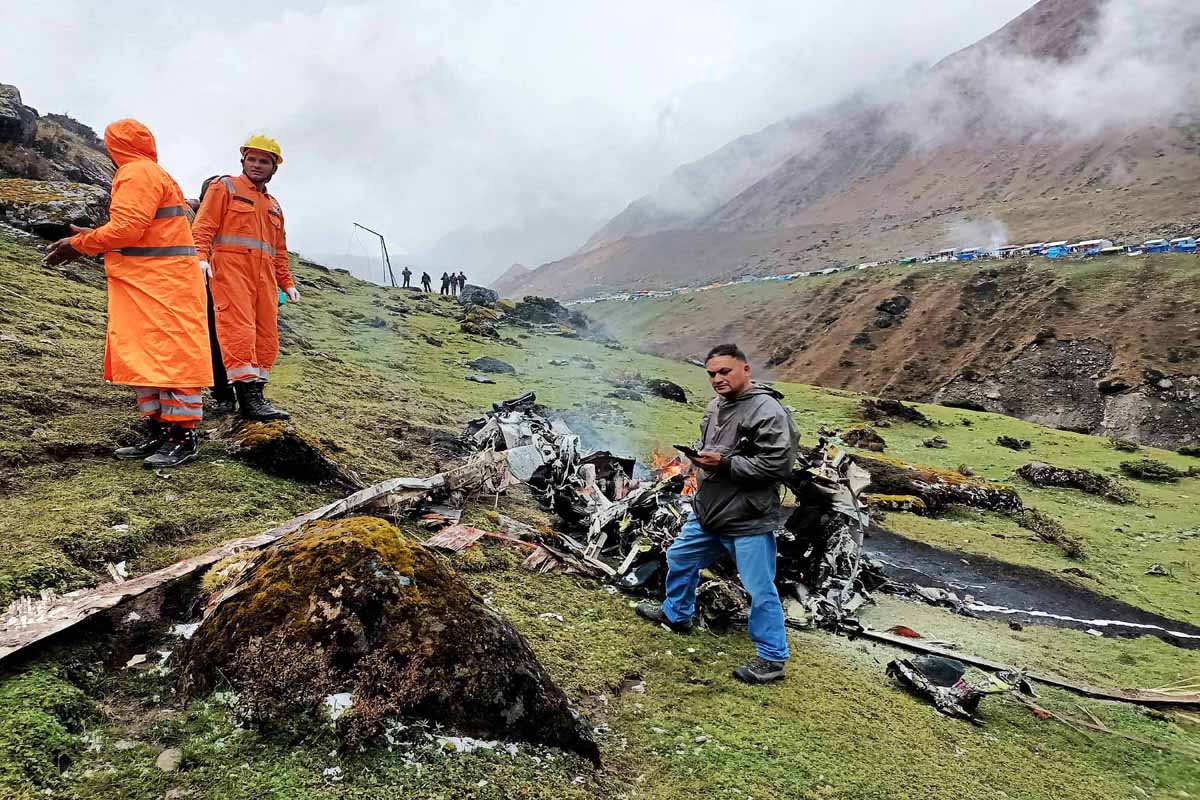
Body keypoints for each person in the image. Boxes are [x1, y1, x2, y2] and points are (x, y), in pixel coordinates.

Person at [46, 119, 212, 468]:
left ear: (113, 146)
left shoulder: (136, 173)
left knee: (170, 358)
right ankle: (159, 431)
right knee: (147, 355)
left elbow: (128, 228)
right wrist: (97, 235)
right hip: (151, 282)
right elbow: (143, 230)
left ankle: (182, 437)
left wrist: (80, 243)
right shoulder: (152, 173)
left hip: (160, 284)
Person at [635, 343, 798, 685]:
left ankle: (772, 658)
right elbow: (712, 447)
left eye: (725, 371)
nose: (717, 379)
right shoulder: (715, 406)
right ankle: (676, 614)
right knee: (679, 557)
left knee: (758, 587)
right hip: (709, 511)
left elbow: (778, 465)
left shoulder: (768, 411)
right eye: (711, 373)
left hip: (747, 517)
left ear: (746, 369)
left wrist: (724, 464)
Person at [191, 134, 298, 421]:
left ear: (274, 168)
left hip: (263, 277)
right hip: (230, 270)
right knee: (238, 332)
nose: (257, 165)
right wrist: (200, 259)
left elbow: (279, 250)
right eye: (252, 159)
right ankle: (248, 400)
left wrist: (286, 283)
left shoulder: (273, 205)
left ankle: (258, 393)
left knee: (267, 336)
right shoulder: (224, 186)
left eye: (264, 161)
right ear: (243, 161)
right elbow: (203, 227)